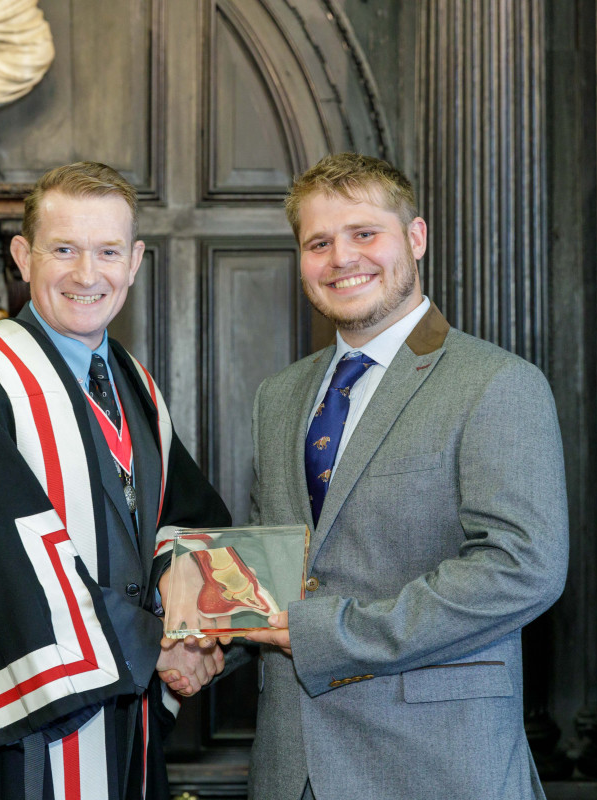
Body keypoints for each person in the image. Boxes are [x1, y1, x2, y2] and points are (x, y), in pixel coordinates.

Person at [0, 161, 231, 800]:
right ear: (23, 257)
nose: (88, 274)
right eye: (64, 250)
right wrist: (154, 646)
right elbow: (5, 563)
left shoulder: (137, 389)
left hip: (123, 728)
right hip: (16, 740)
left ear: (135, 261)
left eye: (108, 251)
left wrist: (200, 632)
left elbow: (185, 522)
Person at [241, 152, 569, 800]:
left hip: (435, 770)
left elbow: (523, 568)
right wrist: (202, 638)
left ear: (415, 239)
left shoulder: (497, 383)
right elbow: (275, 572)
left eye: (365, 234)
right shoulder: (277, 398)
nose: (342, 258)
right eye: (319, 242)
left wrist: (333, 635)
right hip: (291, 770)